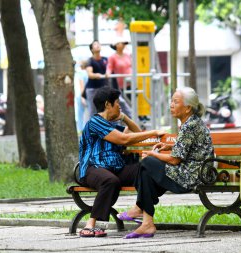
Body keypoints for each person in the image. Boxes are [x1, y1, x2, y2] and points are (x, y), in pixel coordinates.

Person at [119, 87, 214, 239]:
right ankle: (147, 224)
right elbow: (191, 148)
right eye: (171, 101)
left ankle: (140, 208)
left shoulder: (190, 125)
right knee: (146, 174)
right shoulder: (191, 122)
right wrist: (170, 146)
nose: (171, 105)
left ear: (188, 108)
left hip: (192, 176)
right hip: (192, 171)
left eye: (176, 102)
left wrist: (152, 154)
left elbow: (174, 160)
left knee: (148, 162)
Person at [78, 87, 166, 237]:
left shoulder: (113, 127)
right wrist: (154, 132)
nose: (120, 106)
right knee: (110, 181)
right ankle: (93, 223)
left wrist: (124, 117)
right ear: (107, 104)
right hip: (92, 168)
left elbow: (136, 133)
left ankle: (139, 208)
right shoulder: (95, 122)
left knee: (147, 168)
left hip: (115, 169)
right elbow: (124, 139)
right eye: (117, 103)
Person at [106, 37, 132, 118]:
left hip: (130, 83)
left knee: (133, 102)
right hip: (120, 86)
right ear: (116, 45)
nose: (124, 45)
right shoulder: (112, 57)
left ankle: (136, 120)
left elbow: (131, 67)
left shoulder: (128, 55)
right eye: (122, 43)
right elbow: (109, 67)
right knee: (123, 103)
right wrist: (108, 73)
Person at [85, 40, 108, 118]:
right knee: (92, 110)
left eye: (98, 44)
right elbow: (90, 74)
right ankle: (92, 129)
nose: (97, 45)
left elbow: (110, 70)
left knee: (105, 109)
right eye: (95, 44)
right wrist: (96, 75)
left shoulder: (105, 59)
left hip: (103, 89)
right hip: (92, 89)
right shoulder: (90, 61)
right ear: (91, 49)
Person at [74, 60, 89, 132]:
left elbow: (81, 85)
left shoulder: (81, 73)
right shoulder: (87, 73)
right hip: (86, 95)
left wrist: (82, 97)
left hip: (81, 95)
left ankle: (80, 129)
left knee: (80, 113)